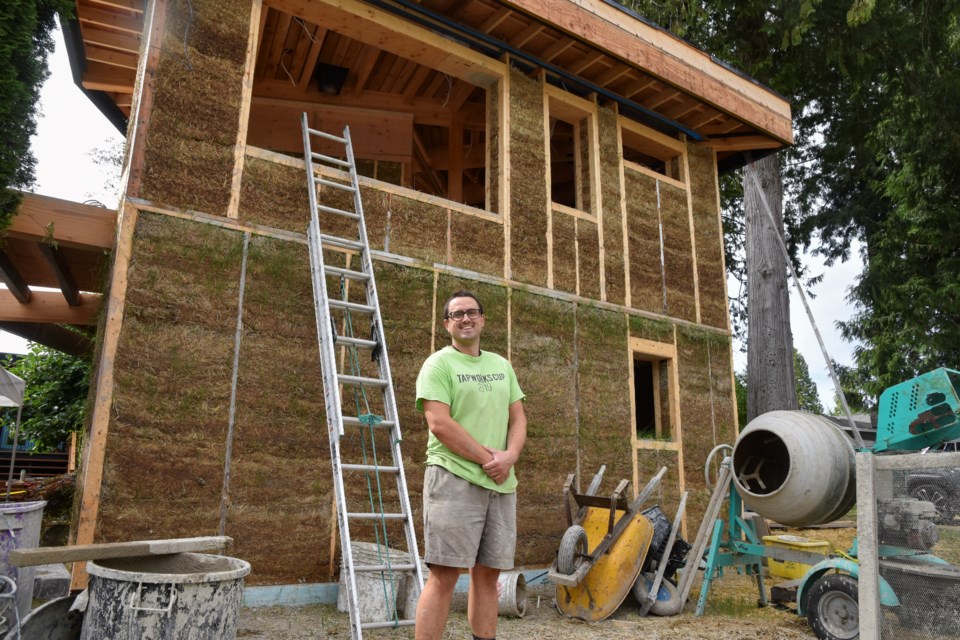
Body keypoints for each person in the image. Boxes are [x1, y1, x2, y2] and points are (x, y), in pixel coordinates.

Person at [414, 290, 527, 640]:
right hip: (453, 479)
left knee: (488, 576)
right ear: (447, 323)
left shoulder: (501, 365)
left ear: (483, 319)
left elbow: (518, 418)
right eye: (457, 313)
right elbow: (440, 424)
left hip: (501, 483)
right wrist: (489, 459)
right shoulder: (439, 364)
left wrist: (510, 457)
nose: (466, 318)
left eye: (472, 312)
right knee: (445, 575)